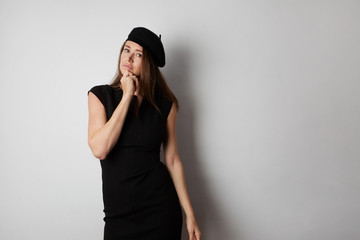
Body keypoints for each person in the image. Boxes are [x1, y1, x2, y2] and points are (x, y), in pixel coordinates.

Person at [87, 27, 201, 240]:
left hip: (159, 211)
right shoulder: (99, 95)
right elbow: (100, 149)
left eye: (138, 54)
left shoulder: (165, 106)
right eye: (126, 50)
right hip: (117, 217)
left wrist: (190, 213)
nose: (128, 58)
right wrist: (127, 95)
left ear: (148, 64)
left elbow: (173, 160)